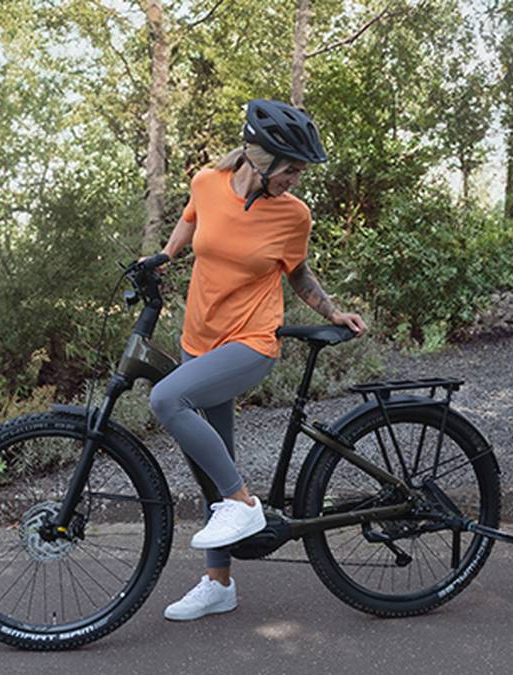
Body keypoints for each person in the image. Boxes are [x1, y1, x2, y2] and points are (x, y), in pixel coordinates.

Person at [147, 99, 367, 621]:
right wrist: (161, 258)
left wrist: (332, 310)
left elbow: (298, 273)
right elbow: (189, 222)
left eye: (300, 170)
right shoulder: (206, 182)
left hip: (249, 344)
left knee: (166, 397)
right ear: (258, 156)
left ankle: (245, 507)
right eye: (290, 167)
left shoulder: (293, 214)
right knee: (212, 464)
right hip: (197, 340)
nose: (296, 178)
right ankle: (219, 583)